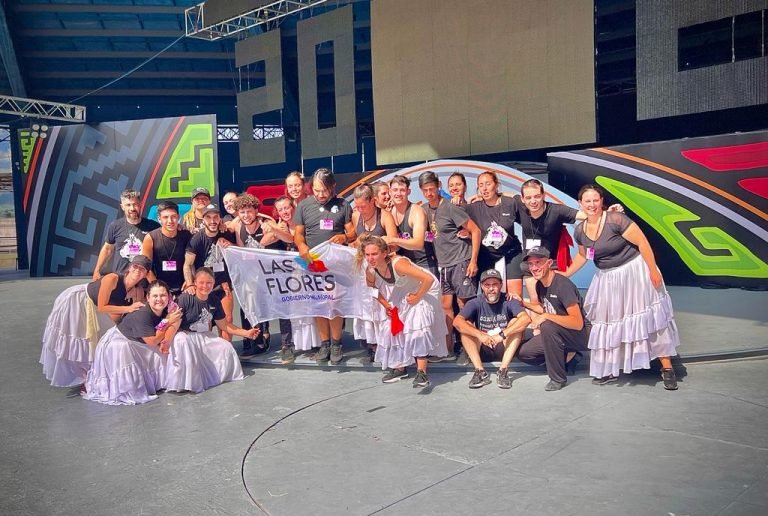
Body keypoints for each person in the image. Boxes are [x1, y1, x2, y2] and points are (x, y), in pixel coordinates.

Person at [564, 184, 679, 390]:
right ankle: (609, 369)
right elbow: (583, 256)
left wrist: (653, 270)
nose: (592, 204)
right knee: (609, 322)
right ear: (580, 203)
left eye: (595, 200)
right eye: (587, 201)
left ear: (601, 201)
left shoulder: (616, 219)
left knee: (650, 318)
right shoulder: (580, 231)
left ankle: (667, 367)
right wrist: (565, 274)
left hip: (634, 272)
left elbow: (642, 243)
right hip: (608, 279)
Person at [40, 255, 152, 388]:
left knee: (97, 341)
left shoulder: (137, 291)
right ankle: (80, 378)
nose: (137, 270)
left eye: (142, 269)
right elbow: (102, 307)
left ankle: (90, 377)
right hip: (78, 302)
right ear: (129, 267)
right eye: (135, 266)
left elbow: (122, 315)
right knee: (77, 341)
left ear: (146, 274)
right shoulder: (112, 278)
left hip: (96, 310)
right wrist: (129, 308)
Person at [357, 236, 447, 387]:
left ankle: (421, 372)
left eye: (374, 254)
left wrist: (417, 296)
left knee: (417, 324)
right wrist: (387, 306)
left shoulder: (399, 264)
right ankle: (400, 368)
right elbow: (373, 289)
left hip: (425, 289)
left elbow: (428, 279)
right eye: (367, 255)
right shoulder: (370, 270)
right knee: (391, 326)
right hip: (402, 292)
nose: (370, 258)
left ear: (384, 253)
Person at [82, 280, 182, 405]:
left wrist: (167, 339)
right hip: (122, 342)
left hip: (140, 342)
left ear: (169, 296)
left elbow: (176, 321)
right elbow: (152, 341)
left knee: (163, 354)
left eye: (163, 295)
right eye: (155, 296)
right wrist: (167, 321)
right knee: (129, 351)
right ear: (148, 298)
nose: (159, 299)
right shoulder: (142, 314)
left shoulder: (170, 308)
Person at [294, 168, 354, 365]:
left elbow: (353, 232)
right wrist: (301, 246)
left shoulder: (343, 205)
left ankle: (337, 343)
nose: (320, 195)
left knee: (334, 303)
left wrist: (344, 237)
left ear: (333, 187)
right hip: (312, 263)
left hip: (335, 264)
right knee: (318, 303)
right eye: (316, 190)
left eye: (324, 191)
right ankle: (324, 344)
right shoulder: (303, 205)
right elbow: (298, 234)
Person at [418, 171, 481, 357]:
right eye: (425, 190)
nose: (429, 193)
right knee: (446, 306)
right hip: (443, 265)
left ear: (438, 186)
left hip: (461, 261)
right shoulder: (424, 209)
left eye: (432, 189)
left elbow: (476, 231)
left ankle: (470, 350)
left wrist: (473, 261)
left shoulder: (451, 207)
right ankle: (448, 349)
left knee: (464, 305)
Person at [512, 247, 590, 391]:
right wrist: (523, 303)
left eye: (538, 263)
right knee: (525, 353)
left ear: (549, 263)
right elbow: (546, 309)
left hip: (580, 335)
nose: (534, 268)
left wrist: (545, 317)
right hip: (558, 333)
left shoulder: (563, 285)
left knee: (547, 326)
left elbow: (577, 323)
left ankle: (557, 378)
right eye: (530, 264)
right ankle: (567, 357)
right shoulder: (540, 284)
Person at [168, 268, 256, 393]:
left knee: (225, 346)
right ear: (195, 282)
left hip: (204, 335)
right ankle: (184, 382)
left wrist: (246, 333)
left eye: (209, 283)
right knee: (182, 341)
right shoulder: (185, 298)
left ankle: (216, 378)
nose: (205, 286)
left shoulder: (214, 300)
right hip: (184, 335)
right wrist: (166, 342)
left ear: (214, 284)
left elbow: (224, 325)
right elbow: (172, 323)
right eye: (201, 282)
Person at [234, 194, 293, 360]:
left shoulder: (267, 222)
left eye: (249, 211)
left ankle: (287, 345)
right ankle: (256, 341)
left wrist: (272, 232)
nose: (246, 215)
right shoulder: (238, 227)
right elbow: (241, 250)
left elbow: (286, 238)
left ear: (256, 211)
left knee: (281, 307)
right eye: (242, 212)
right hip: (254, 273)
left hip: (274, 272)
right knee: (248, 305)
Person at [453, 269, 530, 389]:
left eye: (495, 284)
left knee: (516, 322)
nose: (491, 288)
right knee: (466, 324)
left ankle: (503, 370)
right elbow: (457, 322)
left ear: (501, 285)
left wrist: (501, 335)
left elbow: (526, 319)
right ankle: (480, 371)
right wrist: (480, 335)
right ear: (482, 286)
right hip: (482, 347)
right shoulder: (475, 302)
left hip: (504, 346)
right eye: (487, 285)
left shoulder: (509, 300)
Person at [349, 184, 398, 362]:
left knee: (381, 306)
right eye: (357, 206)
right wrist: (355, 242)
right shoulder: (356, 216)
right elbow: (353, 240)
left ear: (372, 201)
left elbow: (394, 245)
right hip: (363, 268)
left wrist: (376, 244)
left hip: (381, 268)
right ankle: (371, 345)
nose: (360, 210)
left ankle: (387, 345)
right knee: (366, 306)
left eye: (363, 206)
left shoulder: (385, 216)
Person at [270, 195, 318, 363]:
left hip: (306, 274)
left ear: (293, 208)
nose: (284, 212)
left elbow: (294, 240)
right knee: (286, 308)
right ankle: (287, 345)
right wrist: (275, 229)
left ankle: (315, 343)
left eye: (287, 207)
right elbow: (263, 242)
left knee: (310, 307)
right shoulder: (278, 226)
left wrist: (278, 231)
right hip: (284, 277)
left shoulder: (303, 226)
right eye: (280, 209)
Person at [465, 171, 524, 298]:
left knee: (514, 297)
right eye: (481, 185)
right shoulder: (473, 208)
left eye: (488, 184)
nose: (484, 188)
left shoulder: (510, 203)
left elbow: (528, 218)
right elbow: (454, 216)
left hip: (511, 253)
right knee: (490, 296)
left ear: (496, 185)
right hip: (486, 256)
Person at [183, 204, 235, 341]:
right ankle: (208, 351)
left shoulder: (226, 233)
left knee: (227, 320)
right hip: (204, 286)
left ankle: (226, 351)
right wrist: (190, 284)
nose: (212, 221)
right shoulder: (196, 239)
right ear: (203, 219)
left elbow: (239, 250)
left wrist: (229, 244)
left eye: (216, 217)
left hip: (222, 284)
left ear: (220, 219)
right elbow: (188, 264)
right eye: (208, 217)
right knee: (205, 322)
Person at [92, 189, 159, 279]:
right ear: (122, 207)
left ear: (140, 205)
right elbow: (107, 249)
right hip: (120, 278)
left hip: (144, 279)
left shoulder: (154, 226)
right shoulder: (115, 226)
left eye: (135, 204)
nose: (132, 208)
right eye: (128, 205)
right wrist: (97, 270)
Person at [385, 175, 438, 277]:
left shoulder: (416, 212)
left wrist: (392, 240)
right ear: (390, 192)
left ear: (408, 192)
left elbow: (418, 244)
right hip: (405, 266)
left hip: (424, 265)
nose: (398, 193)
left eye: (402, 190)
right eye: (395, 190)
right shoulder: (389, 212)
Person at [141, 201, 192, 295]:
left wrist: (190, 281)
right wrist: (158, 288)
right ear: (159, 219)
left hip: (183, 288)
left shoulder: (186, 236)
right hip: (159, 289)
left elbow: (192, 262)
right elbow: (146, 267)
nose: (170, 221)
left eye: (173, 216)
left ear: (178, 217)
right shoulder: (151, 238)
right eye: (165, 217)